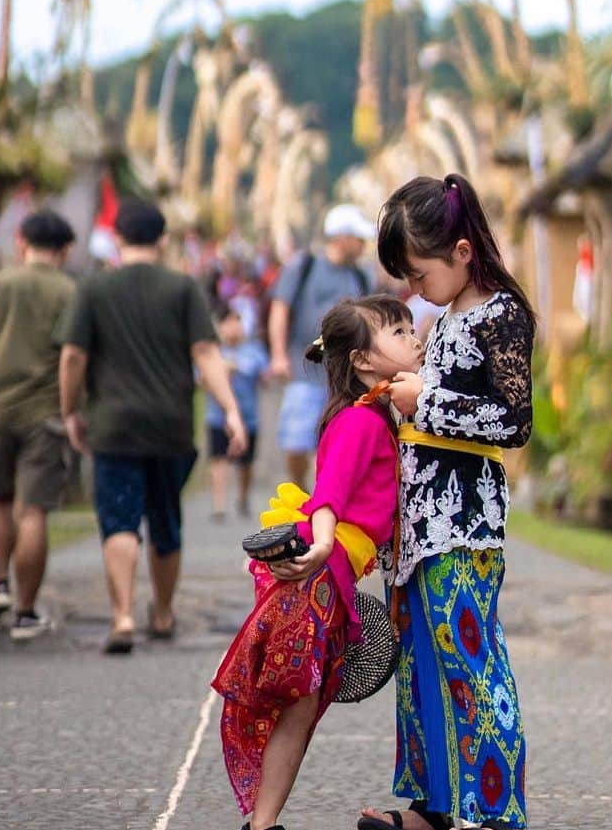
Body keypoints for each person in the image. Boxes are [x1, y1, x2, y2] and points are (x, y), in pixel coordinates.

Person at [358, 173, 537, 830]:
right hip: (418, 529)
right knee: (420, 668)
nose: (413, 285)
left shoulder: (501, 315)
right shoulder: (438, 321)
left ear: (463, 252)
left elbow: (515, 422)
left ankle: (504, 820)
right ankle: (433, 807)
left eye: (419, 271)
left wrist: (423, 403)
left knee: (473, 660)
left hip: (466, 522)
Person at [212, 295, 422, 830]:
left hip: (334, 578)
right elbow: (328, 493)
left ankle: (264, 822)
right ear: (362, 361)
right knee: (297, 708)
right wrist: (325, 541)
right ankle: (263, 828)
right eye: (398, 331)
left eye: (410, 327)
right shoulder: (358, 420)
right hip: (319, 578)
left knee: (303, 708)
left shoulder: (380, 412)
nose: (414, 337)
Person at [58, 200, 248, 654]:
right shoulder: (183, 288)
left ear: (118, 238)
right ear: (163, 240)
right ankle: (162, 612)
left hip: (113, 424)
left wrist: (71, 409)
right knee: (166, 519)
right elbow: (206, 352)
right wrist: (232, 410)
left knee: (119, 521)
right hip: (171, 426)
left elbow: (72, 356)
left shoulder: (94, 289)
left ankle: (122, 615)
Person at [0, 209, 77, 641]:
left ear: (20, 241)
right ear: (65, 250)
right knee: (33, 510)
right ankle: (26, 612)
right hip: (44, 411)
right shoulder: (70, 292)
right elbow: (76, 354)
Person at [267, 204, 376, 491]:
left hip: (343, 379)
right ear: (341, 237)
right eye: (358, 238)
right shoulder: (305, 266)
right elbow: (281, 309)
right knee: (295, 441)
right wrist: (278, 355)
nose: (363, 245)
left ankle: (322, 498)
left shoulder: (361, 276)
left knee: (333, 445)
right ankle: (298, 487)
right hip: (305, 371)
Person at [206, 302, 269, 522]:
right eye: (227, 322)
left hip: (248, 417)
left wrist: (234, 366)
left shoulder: (253, 350)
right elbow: (202, 378)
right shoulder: (210, 351)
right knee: (218, 459)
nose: (233, 327)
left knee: (246, 463)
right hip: (217, 416)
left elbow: (262, 372)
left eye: (236, 322)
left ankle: (243, 497)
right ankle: (219, 505)